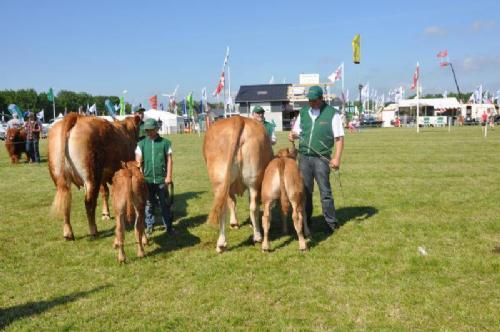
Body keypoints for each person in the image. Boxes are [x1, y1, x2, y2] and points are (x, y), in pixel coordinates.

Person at [288, 85, 345, 233]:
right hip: (304, 158)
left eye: (314, 100)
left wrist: (337, 158)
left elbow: (339, 138)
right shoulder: (303, 112)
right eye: (309, 100)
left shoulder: (333, 114)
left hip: (321, 159)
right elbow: (295, 131)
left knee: (325, 192)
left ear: (321, 99)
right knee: (305, 191)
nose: (311, 103)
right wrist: (292, 135)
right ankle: (306, 221)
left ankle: (331, 222)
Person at [135, 118, 175, 236]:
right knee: (149, 204)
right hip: (147, 180)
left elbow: (170, 160)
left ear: (157, 129)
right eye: (147, 130)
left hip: (161, 179)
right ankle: (149, 226)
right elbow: (138, 158)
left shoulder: (165, 143)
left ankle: (168, 227)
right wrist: (138, 160)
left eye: (151, 130)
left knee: (164, 204)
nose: (148, 132)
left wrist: (168, 176)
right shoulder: (141, 144)